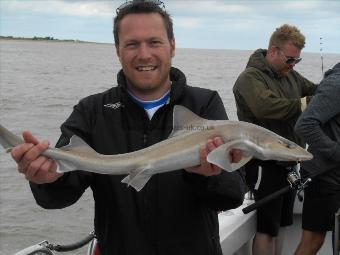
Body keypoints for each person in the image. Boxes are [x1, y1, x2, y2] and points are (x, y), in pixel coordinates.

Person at [10, 1, 247, 255]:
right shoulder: (92, 111)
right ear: (117, 50)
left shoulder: (203, 104)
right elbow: (56, 198)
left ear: (173, 46)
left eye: (154, 42)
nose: (144, 54)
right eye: (132, 44)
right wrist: (46, 179)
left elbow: (232, 195)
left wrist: (207, 177)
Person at [232, 24, 317, 255]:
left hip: (289, 162)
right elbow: (264, 107)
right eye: (290, 59)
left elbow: (314, 90)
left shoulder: (291, 75)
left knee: (282, 225)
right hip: (263, 163)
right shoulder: (249, 78)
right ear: (273, 51)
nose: (293, 65)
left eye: (297, 61)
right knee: (267, 228)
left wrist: (331, 84)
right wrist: (303, 103)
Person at [294, 62, 340, 255]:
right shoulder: (336, 84)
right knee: (313, 240)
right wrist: (336, 151)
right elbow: (304, 125)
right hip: (324, 177)